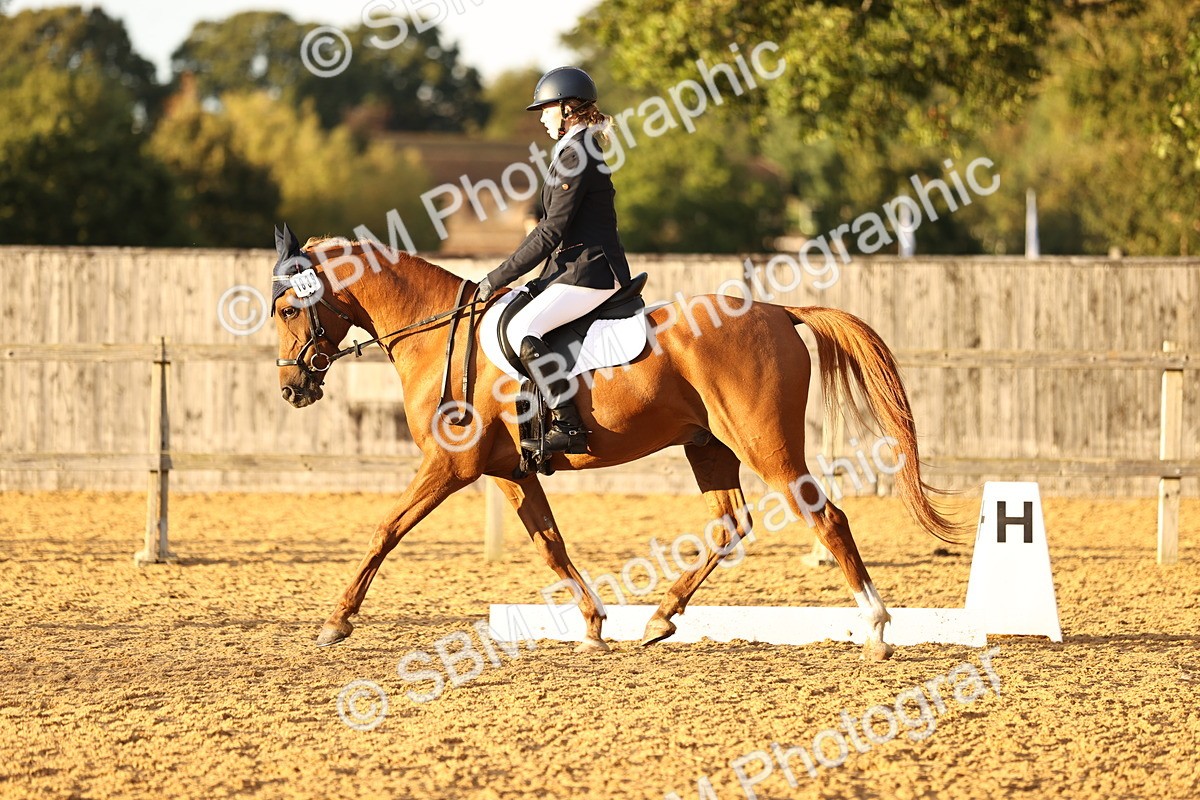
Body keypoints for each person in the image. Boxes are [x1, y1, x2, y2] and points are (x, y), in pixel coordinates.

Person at [476, 66, 633, 454]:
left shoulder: (577, 154)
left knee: (525, 331)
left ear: (568, 109)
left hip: (592, 272)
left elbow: (550, 231)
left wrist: (497, 277)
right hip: (571, 271)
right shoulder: (572, 150)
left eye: (546, 109)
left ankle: (569, 423)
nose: (542, 118)